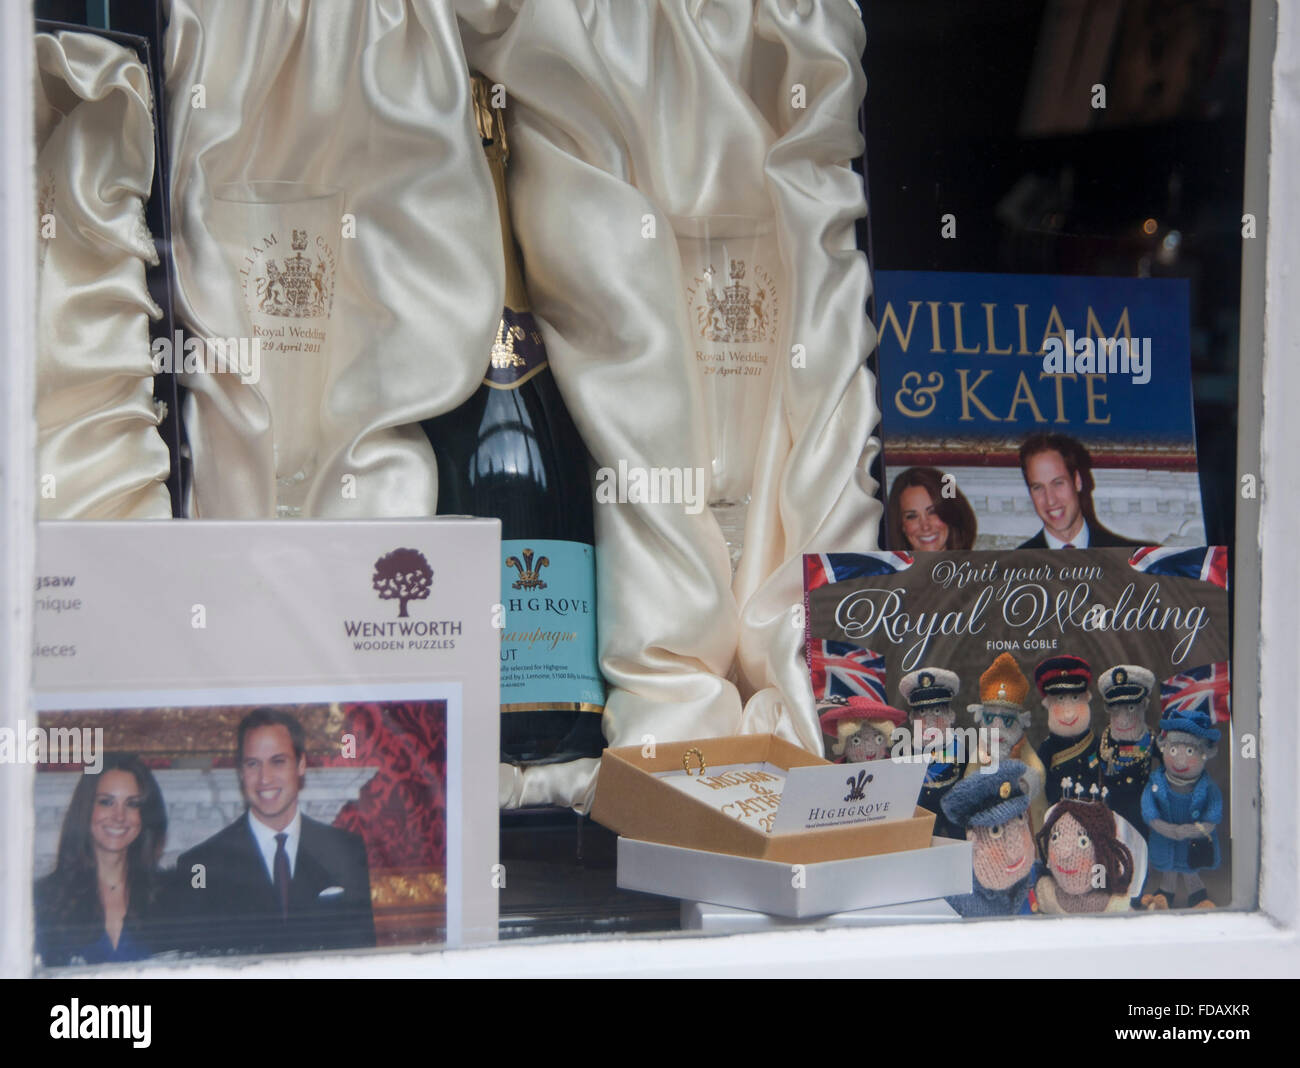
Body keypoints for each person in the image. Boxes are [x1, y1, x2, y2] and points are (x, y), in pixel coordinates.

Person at [173, 708, 375, 955]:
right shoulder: (200, 865)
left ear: (301, 765)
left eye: (278, 762)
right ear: (240, 772)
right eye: (252, 764)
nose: (264, 778)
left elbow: (360, 954)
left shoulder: (346, 851)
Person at [35, 753, 168, 966]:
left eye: (132, 804)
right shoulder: (44, 899)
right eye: (106, 802)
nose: (119, 816)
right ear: (86, 808)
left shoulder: (170, 895)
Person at [1016, 432, 1143, 548]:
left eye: (1058, 483)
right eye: (1038, 488)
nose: (1050, 500)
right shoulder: (1011, 568)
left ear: (1077, 481)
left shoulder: (1130, 561)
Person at [1034, 799, 1134, 913]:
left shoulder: (1115, 905)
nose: (1064, 853)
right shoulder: (1047, 895)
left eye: (1083, 842)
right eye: (1055, 837)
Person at [885, 466, 977, 551]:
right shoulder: (884, 567)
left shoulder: (981, 567)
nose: (925, 527)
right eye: (912, 516)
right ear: (901, 525)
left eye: (933, 512)